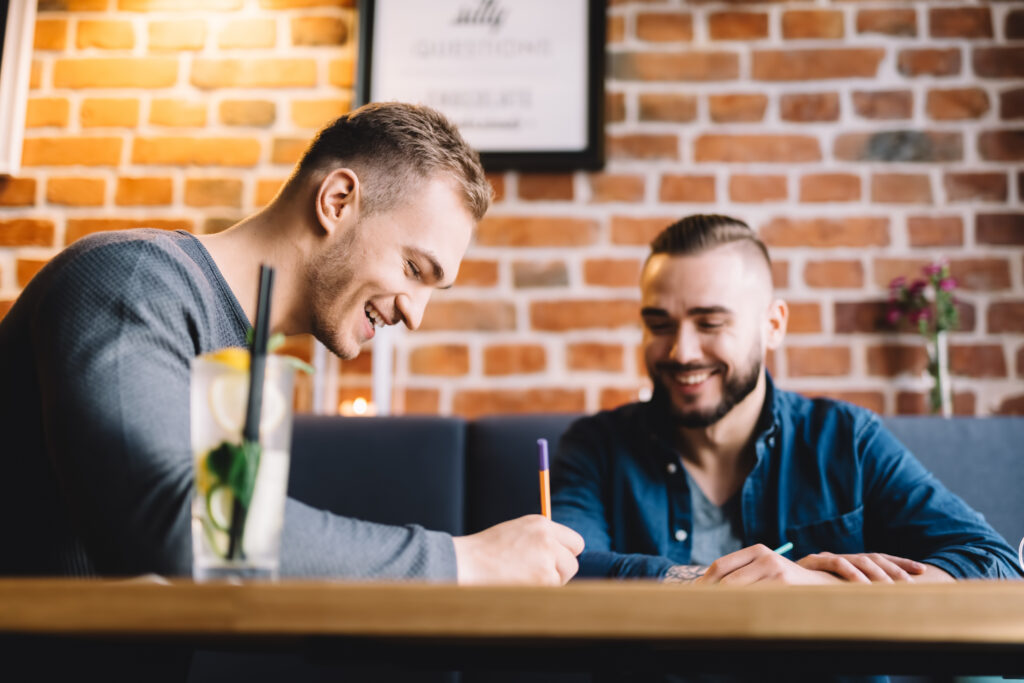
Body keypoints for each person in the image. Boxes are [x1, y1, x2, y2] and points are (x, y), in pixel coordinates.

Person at [0, 101, 583, 584]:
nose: (416, 315)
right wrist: (467, 561)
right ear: (336, 201)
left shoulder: (242, 352)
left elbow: (230, 575)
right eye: (412, 268)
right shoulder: (129, 279)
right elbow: (196, 536)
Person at [551, 214, 1021, 585]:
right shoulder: (596, 445)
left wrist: (817, 586)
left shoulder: (845, 440)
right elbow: (568, 568)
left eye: (710, 323)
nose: (681, 351)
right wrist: (705, 582)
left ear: (773, 325)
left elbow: (996, 565)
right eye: (659, 324)